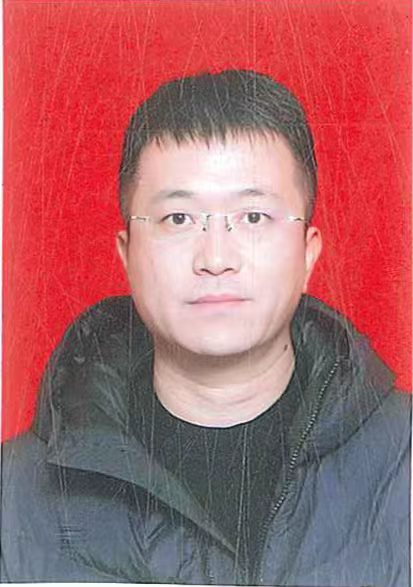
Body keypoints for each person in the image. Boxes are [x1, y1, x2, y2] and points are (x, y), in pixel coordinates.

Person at [1, 70, 410, 586]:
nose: (216, 258)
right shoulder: (16, 495)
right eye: (179, 219)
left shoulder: (404, 460)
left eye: (253, 217)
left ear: (308, 254)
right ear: (127, 255)